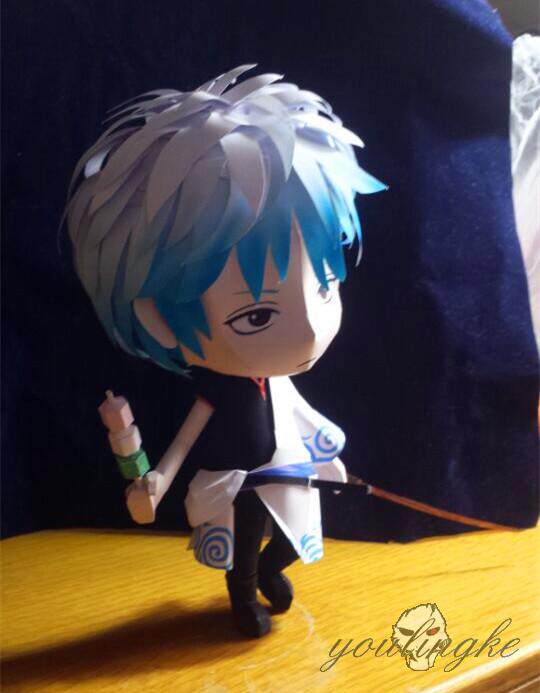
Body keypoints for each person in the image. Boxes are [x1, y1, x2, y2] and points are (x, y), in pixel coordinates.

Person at [65, 64, 386, 637]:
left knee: (294, 536)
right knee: (243, 543)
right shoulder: (218, 388)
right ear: (159, 318)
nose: (311, 330)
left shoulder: (278, 381)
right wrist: (154, 477)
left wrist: (328, 457)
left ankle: (271, 570)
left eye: (325, 286)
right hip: (241, 482)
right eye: (256, 316)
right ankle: (244, 596)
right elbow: (185, 441)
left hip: (287, 469)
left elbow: (302, 415)